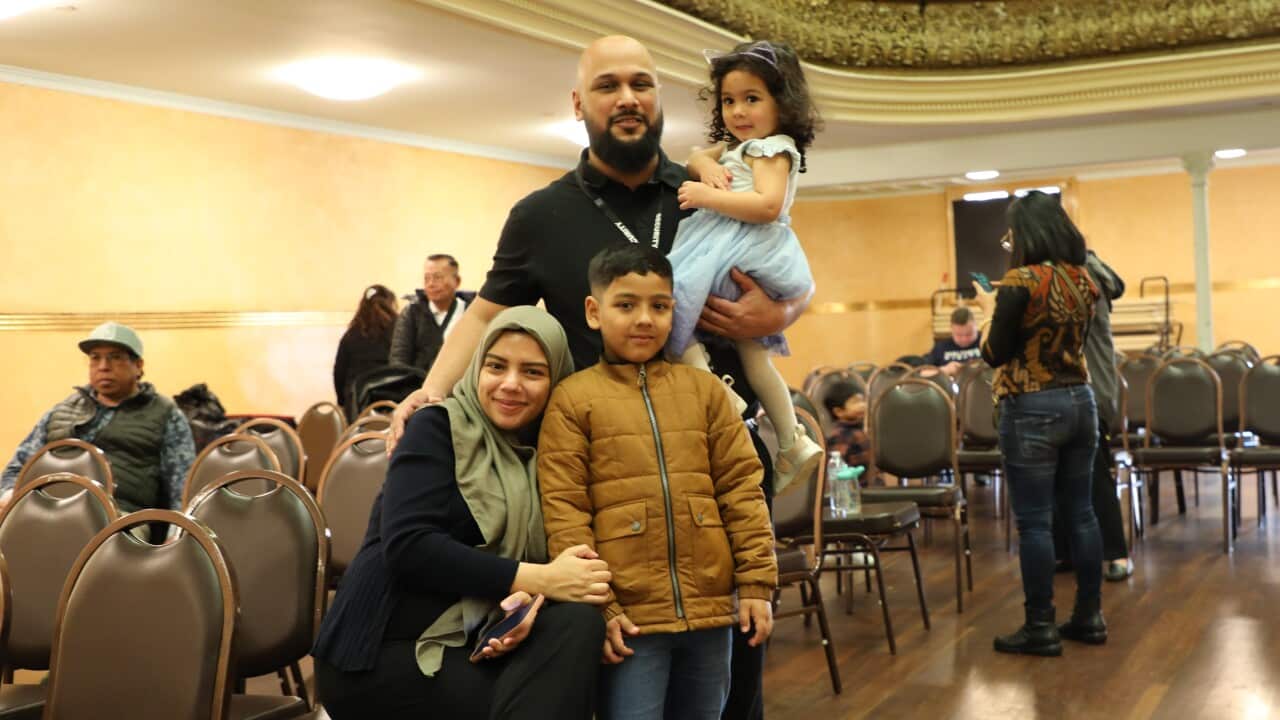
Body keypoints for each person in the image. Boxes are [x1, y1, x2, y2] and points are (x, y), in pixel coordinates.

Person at [388, 36, 812, 719]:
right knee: (625, 687)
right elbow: (485, 315)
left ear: (659, 98)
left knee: (732, 689)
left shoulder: (708, 186)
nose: (627, 98)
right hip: (608, 485)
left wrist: (787, 309)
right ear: (578, 103)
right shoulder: (540, 215)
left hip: (718, 460)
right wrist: (431, 390)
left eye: (641, 84)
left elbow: (781, 258)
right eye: (608, 86)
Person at [312, 307, 610, 719]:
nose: (510, 384)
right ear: (476, 368)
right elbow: (409, 547)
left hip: (476, 639)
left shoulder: (551, 453)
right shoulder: (435, 428)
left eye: (532, 372)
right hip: (380, 649)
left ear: (557, 379)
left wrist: (527, 605)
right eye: (496, 366)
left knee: (578, 625)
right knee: (538, 695)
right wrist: (539, 579)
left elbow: (557, 569)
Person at [538, 245, 777, 720]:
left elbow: (742, 490)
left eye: (660, 306)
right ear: (594, 311)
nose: (644, 319)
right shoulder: (573, 399)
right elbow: (566, 514)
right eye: (626, 305)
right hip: (630, 621)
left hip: (711, 610)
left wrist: (755, 582)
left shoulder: (705, 391)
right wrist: (601, 608)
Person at [666, 40, 821, 495]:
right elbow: (697, 155)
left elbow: (768, 204)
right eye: (729, 100)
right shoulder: (742, 146)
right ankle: (792, 440)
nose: (738, 111)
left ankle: (717, 392)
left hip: (741, 246)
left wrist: (707, 195)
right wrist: (702, 164)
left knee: (671, 303)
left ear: (782, 103)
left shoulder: (772, 149)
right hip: (741, 248)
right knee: (755, 358)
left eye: (752, 98)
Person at [975, 190, 1106, 656]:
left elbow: (995, 353)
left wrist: (988, 314)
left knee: (1034, 524)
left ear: (1025, 234)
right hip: (1081, 401)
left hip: (1031, 406)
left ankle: (1040, 626)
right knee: (1082, 514)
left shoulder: (1020, 280)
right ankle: (1089, 616)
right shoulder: (1084, 279)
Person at [0, 321, 196, 514]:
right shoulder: (62, 411)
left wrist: (178, 529)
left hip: (121, 518)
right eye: (95, 358)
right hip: (52, 510)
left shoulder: (165, 413)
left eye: (115, 357)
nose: (103, 366)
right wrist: (8, 494)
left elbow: (183, 486)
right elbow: (18, 467)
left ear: (138, 365)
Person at [1053, 250, 1134, 581]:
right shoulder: (1079, 272)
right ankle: (1066, 551)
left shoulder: (1081, 277)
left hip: (1090, 390)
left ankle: (1116, 553)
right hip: (1071, 390)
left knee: (1094, 475)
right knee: (1059, 472)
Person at [390, 254, 468, 371]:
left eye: (438, 278)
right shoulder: (412, 313)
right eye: (427, 278)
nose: (431, 284)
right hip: (418, 380)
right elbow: (399, 359)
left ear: (457, 281)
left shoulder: (469, 312)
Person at [333, 284, 399, 417]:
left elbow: (339, 372)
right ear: (390, 304)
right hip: (391, 401)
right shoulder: (398, 331)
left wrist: (342, 402)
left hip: (357, 402)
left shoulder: (351, 334)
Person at [822, 380, 870, 471]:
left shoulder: (862, 428)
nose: (863, 405)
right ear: (839, 412)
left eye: (863, 400)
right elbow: (837, 470)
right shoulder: (840, 436)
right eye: (855, 402)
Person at [925, 306, 983, 376]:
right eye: (959, 335)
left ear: (976, 326)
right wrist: (945, 370)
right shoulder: (941, 347)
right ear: (951, 329)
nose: (964, 339)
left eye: (969, 334)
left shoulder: (985, 342)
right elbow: (922, 373)